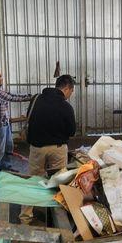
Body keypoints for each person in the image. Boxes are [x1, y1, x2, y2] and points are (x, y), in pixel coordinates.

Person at [20, 74, 76, 224]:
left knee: (33, 180)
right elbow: (71, 131)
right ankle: (59, 218)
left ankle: (25, 216)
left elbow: (29, 118)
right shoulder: (66, 107)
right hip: (57, 149)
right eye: (72, 91)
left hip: (37, 149)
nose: (70, 94)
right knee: (59, 181)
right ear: (67, 88)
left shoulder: (36, 99)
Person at [0, 68, 32, 181]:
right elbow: (10, 97)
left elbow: (8, 94)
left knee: (9, 146)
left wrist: (28, 96)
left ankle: (6, 168)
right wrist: (29, 98)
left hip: (5, 121)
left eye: (0, 76)